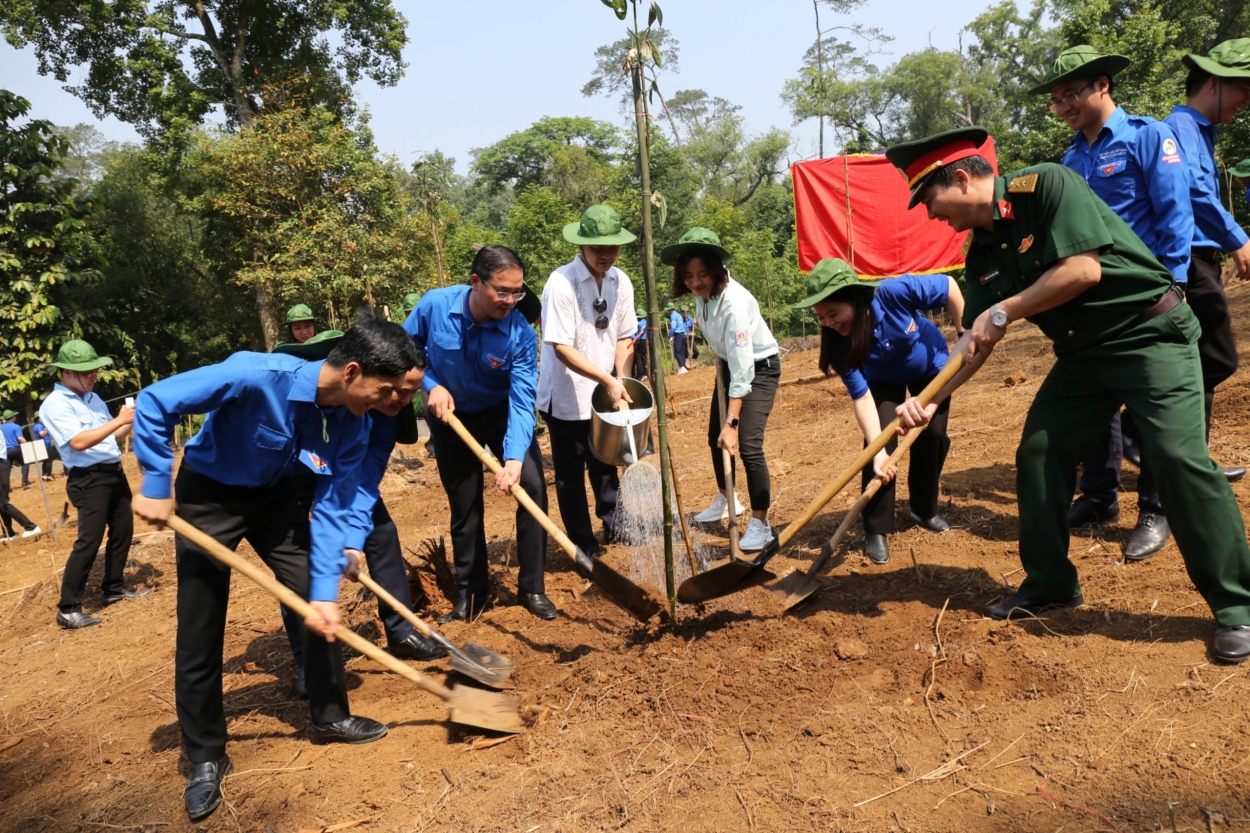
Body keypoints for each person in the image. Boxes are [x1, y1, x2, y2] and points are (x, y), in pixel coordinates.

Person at [888, 126, 1250, 665]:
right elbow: (975, 340)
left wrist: (1005, 310)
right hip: (1084, 358)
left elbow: (1083, 270)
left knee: (1176, 458)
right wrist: (934, 400)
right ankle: (1051, 582)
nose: (929, 214)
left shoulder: (1047, 186)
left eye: (930, 200)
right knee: (1039, 452)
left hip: (1149, 334)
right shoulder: (982, 251)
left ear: (961, 180)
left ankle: (1236, 607)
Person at [131, 316, 419, 822]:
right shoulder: (255, 374)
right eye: (386, 390)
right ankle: (205, 755)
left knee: (314, 596)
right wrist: (157, 481)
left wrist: (328, 591)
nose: (390, 402)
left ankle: (330, 715)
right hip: (209, 497)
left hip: (277, 499)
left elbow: (333, 505)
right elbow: (156, 401)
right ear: (352, 372)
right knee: (200, 625)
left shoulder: (353, 422)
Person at [1032, 45, 1195, 561]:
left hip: (1147, 297)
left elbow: (1174, 214)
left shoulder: (1148, 137)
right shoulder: (1070, 161)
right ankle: (1100, 496)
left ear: (1102, 85)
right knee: (1098, 406)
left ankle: (1155, 507)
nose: (1063, 108)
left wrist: (1176, 285)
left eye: (1070, 95)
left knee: (1150, 408)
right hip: (1094, 302)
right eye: (1056, 102)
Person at [273, 331, 446, 699]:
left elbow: (366, 481)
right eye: (398, 389)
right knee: (299, 562)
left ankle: (401, 630)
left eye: (412, 392)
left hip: (346, 478)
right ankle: (309, 663)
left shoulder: (389, 416)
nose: (402, 399)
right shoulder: (335, 395)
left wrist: (351, 543)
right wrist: (322, 522)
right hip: (294, 476)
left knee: (381, 533)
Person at [406, 245, 554, 622]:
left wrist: (514, 457)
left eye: (517, 292)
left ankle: (533, 588)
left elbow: (522, 400)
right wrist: (430, 383)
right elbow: (404, 350)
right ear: (476, 282)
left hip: (500, 412)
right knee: (465, 503)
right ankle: (472, 595)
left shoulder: (519, 333)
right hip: (449, 414)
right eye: (502, 291)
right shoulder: (434, 306)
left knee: (533, 487)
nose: (510, 300)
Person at [794, 258, 964, 564]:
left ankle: (924, 509)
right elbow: (861, 397)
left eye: (834, 314)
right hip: (882, 380)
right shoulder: (838, 345)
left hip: (931, 367)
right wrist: (878, 453)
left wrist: (964, 327)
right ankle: (876, 528)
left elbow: (949, 286)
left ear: (856, 299)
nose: (830, 323)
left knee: (934, 435)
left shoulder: (893, 292)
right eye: (821, 318)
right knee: (881, 441)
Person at [1164, 39, 1250, 483]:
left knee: (1203, 359)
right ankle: (1144, 431)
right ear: (1214, 84)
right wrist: (1238, 239)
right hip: (1189, 259)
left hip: (1203, 257)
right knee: (1216, 358)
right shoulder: (1179, 125)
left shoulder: (1199, 130)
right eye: (1243, 91)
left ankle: (1193, 458)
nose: (1245, 103)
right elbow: (1195, 193)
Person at [665, 227, 781, 552]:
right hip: (729, 365)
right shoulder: (701, 295)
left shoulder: (734, 305)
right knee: (713, 438)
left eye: (703, 274)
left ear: (717, 269)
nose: (696, 282)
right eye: (689, 275)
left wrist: (732, 423)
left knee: (746, 444)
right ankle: (728, 498)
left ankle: (761, 524)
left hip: (758, 369)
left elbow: (744, 373)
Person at [536, 205, 638, 556]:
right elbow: (561, 347)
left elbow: (625, 337)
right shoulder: (560, 283)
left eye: (612, 247)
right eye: (598, 248)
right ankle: (583, 540)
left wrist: (622, 381)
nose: (606, 255)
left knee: (606, 460)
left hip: (605, 391)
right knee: (570, 472)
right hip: (565, 393)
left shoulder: (620, 281)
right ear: (581, 246)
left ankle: (616, 525)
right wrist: (606, 381)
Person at [40, 340, 137, 629]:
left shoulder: (92, 398)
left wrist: (130, 419)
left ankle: (114, 589)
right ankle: (68, 608)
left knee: (123, 530)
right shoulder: (55, 405)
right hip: (88, 479)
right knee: (89, 541)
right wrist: (117, 419)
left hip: (113, 473)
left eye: (95, 370)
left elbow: (112, 435)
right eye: (88, 371)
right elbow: (80, 442)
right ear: (67, 372)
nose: (94, 375)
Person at [0, 410, 28, 489]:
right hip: (15, 449)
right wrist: (28, 445)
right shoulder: (16, 426)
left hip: (5, 451)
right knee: (25, 462)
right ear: (12, 418)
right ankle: (24, 482)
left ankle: (7, 486)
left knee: (7, 468)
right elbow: (20, 438)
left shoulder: (0, 427)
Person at [669, 303, 691, 373]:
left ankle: (682, 367)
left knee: (677, 351)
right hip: (683, 334)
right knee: (681, 352)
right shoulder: (678, 315)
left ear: (670, 310)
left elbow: (673, 327)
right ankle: (683, 367)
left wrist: (669, 335)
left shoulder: (673, 316)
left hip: (678, 334)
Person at [631, 307, 650, 384]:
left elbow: (634, 334)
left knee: (639, 358)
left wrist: (632, 338)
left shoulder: (638, 323)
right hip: (648, 340)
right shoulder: (646, 322)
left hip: (641, 341)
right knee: (645, 357)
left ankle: (641, 374)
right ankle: (646, 373)